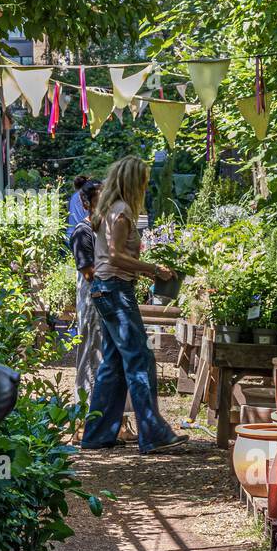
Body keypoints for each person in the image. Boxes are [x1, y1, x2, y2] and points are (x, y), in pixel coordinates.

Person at [81, 156, 187, 454]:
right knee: (140, 359)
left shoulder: (108, 209)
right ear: (132, 181)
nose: (145, 184)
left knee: (114, 363)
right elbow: (115, 256)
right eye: (143, 179)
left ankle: (97, 434)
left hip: (105, 290)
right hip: (115, 290)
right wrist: (153, 269)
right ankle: (153, 432)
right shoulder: (122, 211)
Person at [69, 178, 103, 402]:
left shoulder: (107, 230)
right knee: (91, 351)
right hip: (94, 299)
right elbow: (88, 272)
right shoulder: (83, 232)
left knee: (104, 353)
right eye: (100, 201)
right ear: (87, 204)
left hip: (106, 297)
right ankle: (85, 410)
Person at [66, 174, 92, 241]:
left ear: (75, 186)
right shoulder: (88, 195)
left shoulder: (72, 198)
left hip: (69, 235)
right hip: (83, 235)